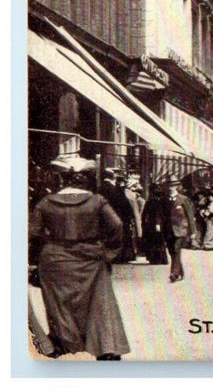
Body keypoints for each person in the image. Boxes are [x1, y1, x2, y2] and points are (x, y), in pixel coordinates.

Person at [28, 150, 130, 360]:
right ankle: (105, 347)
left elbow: (33, 232)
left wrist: (44, 250)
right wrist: (108, 252)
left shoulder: (46, 203)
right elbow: (117, 225)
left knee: (60, 304)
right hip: (91, 258)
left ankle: (64, 341)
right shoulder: (97, 201)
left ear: (62, 179)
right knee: (98, 304)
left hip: (55, 259)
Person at [166, 179, 197, 283]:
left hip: (181, 229)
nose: (170, 188)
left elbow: (190, 215)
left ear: (176, 187)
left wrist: (193, 231)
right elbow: (161, 213)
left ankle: (173, 273)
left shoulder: (184, 199)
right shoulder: (165, 199)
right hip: (169, 230)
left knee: (176, 249)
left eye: (172, 186)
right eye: (169, 186)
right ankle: (180, 272)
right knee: (172, 252)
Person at [138, 183, 170, 265]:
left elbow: (147, 214)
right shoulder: (162, 201)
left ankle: (155, 259)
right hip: (160, 223)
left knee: (154, 241)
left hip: (153, 223)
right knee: (159, 241)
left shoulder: (151, 202)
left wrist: (144, 223)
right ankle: (161, 259)